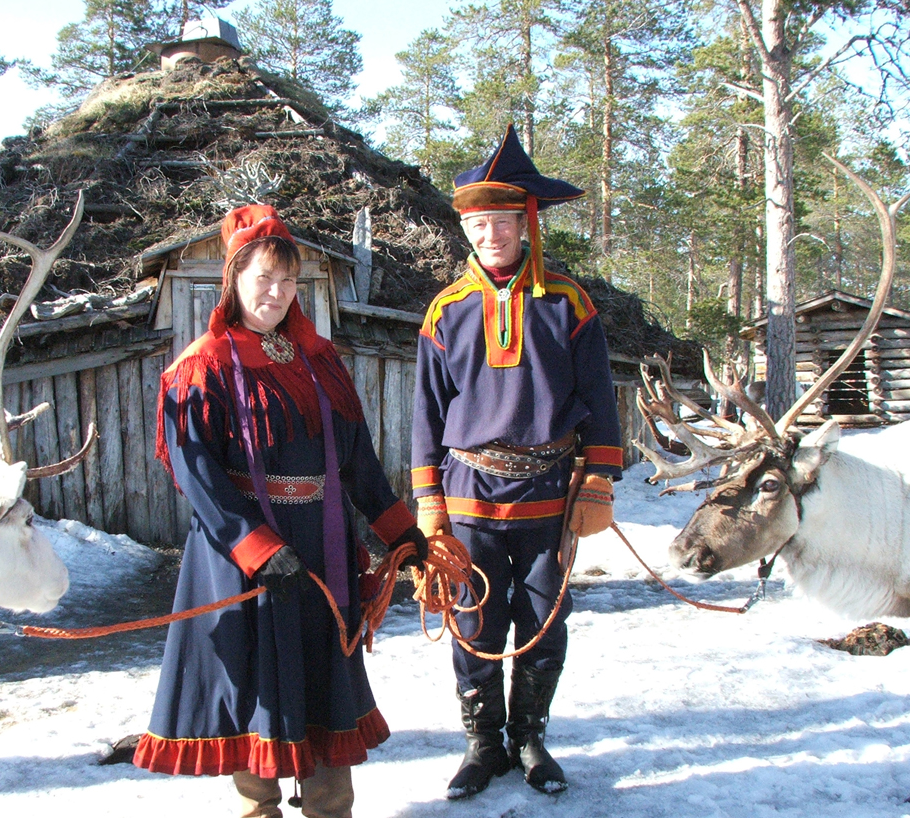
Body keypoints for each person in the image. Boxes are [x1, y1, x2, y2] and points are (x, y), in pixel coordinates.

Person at [134, 204, 428, 818]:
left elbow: (357, 460)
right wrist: (256, 548)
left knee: (325, 681)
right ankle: (258, 808)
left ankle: (329, 809)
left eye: (288, 281)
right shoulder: (202, 366)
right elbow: (198, 473)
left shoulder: (319, 361)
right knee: (259, 685)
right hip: (246, 556)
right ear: (234, 280)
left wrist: (400, 532)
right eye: (263, 278)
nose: (276, 293)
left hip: (322, 547)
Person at [411, 124, 623, 800]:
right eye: (477, 225)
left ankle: (529, 739)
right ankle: (481, 747)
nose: (489, 236)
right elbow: (425, 415)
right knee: (473, 622)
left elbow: (597, 400)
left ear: (525, 222)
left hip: (547, 496)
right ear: (467, 230)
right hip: (468, 492)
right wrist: (427, 503)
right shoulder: (444, 311)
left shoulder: (568, 303)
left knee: (541, 622)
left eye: (501, 223)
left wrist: (596, 480)